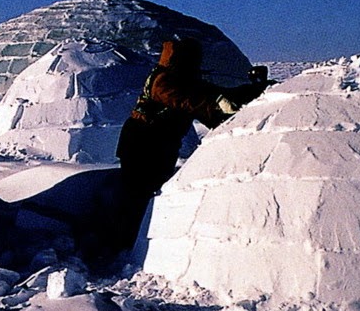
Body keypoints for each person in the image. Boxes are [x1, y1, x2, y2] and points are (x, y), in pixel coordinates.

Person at [112, 37, 271, 250]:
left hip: (161, 144)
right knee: (138, 196)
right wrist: (216, 105)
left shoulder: (186, 80)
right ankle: (123, 246)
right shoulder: (162, 81)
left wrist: (256, 91)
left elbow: (216, 93)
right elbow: (189, 101)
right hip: (142, 144)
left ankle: (134, 243)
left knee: (152, 192)